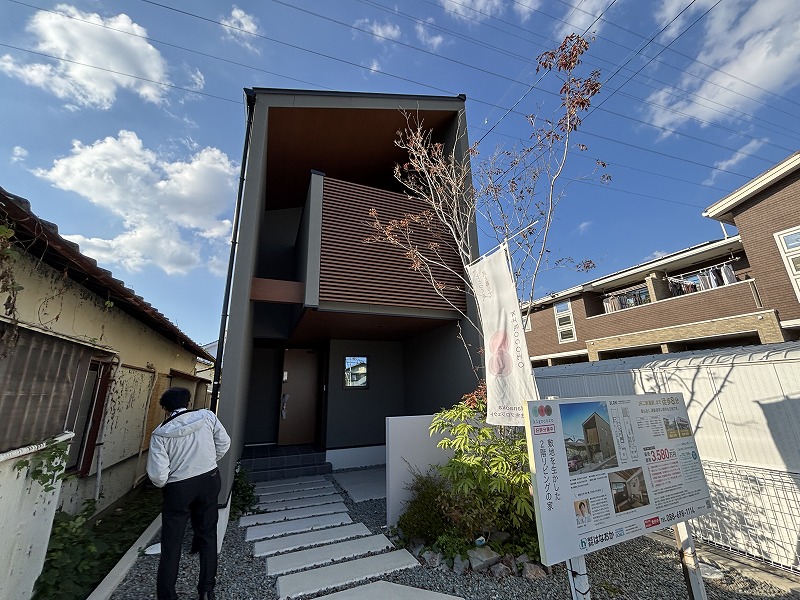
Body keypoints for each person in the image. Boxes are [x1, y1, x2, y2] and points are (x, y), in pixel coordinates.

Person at [147, 387, 231, 600]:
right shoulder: (207, 417)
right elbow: (224, 442)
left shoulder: (160, 433)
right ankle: (206, 591)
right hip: (209, 479)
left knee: (171, 542)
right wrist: (209, 461)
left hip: (179, 488)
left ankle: (167, 595)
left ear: (166, 409)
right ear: (188, 401)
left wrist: (169, 480)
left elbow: (158, 476)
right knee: (208, 534)